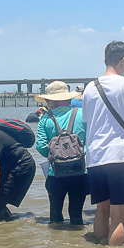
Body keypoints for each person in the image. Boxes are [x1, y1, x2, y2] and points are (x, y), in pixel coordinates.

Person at [82, 41, 124, 245]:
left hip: (95, 156)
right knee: (119, 214)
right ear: (123, 61)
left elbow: (87, 120)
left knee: (101, 210)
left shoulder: (89, 87)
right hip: (119, 155)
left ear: (105, 60)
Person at [35, 81, 88, 227]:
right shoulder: (82, 114)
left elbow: (40, 146)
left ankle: (55, 245)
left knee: (55, 214)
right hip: (80, 171)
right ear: (69, 98)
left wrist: (54, 155)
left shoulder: (45, 118)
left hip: (55, 172)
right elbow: (91, 141)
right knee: (77, 214)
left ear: (50, 100)